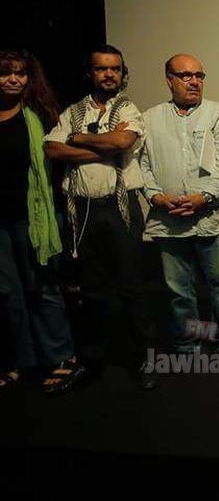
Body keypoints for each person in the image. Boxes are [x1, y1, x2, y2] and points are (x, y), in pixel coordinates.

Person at [44, 45, 156, 390]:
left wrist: (79, 139)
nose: (109, 74)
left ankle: (142, 360)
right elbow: (52, 149)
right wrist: (100, 146)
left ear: (123, 73)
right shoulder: (73, 111)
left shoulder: (129, 109)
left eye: (115, 69)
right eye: (102, 69)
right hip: (83, 209)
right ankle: (91, 360)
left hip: (120, 206)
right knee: (90, 289)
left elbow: (122, 142)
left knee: (132, 287)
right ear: (90, 73)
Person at [140, 53, 219, 362]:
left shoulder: (218, 114)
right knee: (180, 291)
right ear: (169, 80)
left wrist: (204, 197)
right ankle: (192, 346)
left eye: (199, 75)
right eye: (186, 76)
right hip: (169, 219)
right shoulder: (149, 119)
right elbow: (142, 165)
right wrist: (156, 197)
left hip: (215, 217)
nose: (194, 81)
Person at [0, 50, 82, 394]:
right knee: (7, 294)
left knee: (43, 287)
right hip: (0, 221)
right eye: (6, 73)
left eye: (20, 73)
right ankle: (18, 360)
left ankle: (61, 356)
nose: (14, 79)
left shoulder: (40, 115)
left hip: (33, 217)